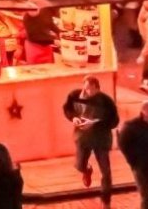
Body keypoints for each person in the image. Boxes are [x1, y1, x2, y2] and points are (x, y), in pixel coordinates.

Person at [65, 74, 120, 205]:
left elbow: (114, 121)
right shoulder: (75, 96)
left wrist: (96, 122)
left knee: (106, 172)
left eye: (89, 89)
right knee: (79, 165)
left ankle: (106, 200)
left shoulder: (106, 101)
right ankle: (87, 170)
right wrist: (73, 118)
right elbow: (68, 109)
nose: (86, 92)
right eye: (85, 88)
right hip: (83, 138)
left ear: (97, 88)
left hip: (101, 139)